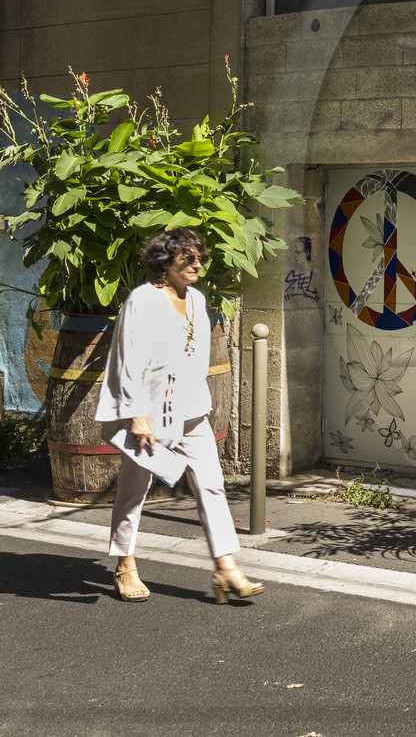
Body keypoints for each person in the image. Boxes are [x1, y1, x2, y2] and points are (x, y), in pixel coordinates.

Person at [95, 228, 265, 603]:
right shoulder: (142, 300)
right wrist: (136, 414)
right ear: (165, 262)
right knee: (133, 492)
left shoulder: (197, 299)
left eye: (199, 257)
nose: (197, 264)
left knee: (212, 484)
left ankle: (225, 567)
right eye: (188, 258)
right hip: (149, 415)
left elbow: (195, 358)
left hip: (190, 411)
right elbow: (126, 359)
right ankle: (125, 564)